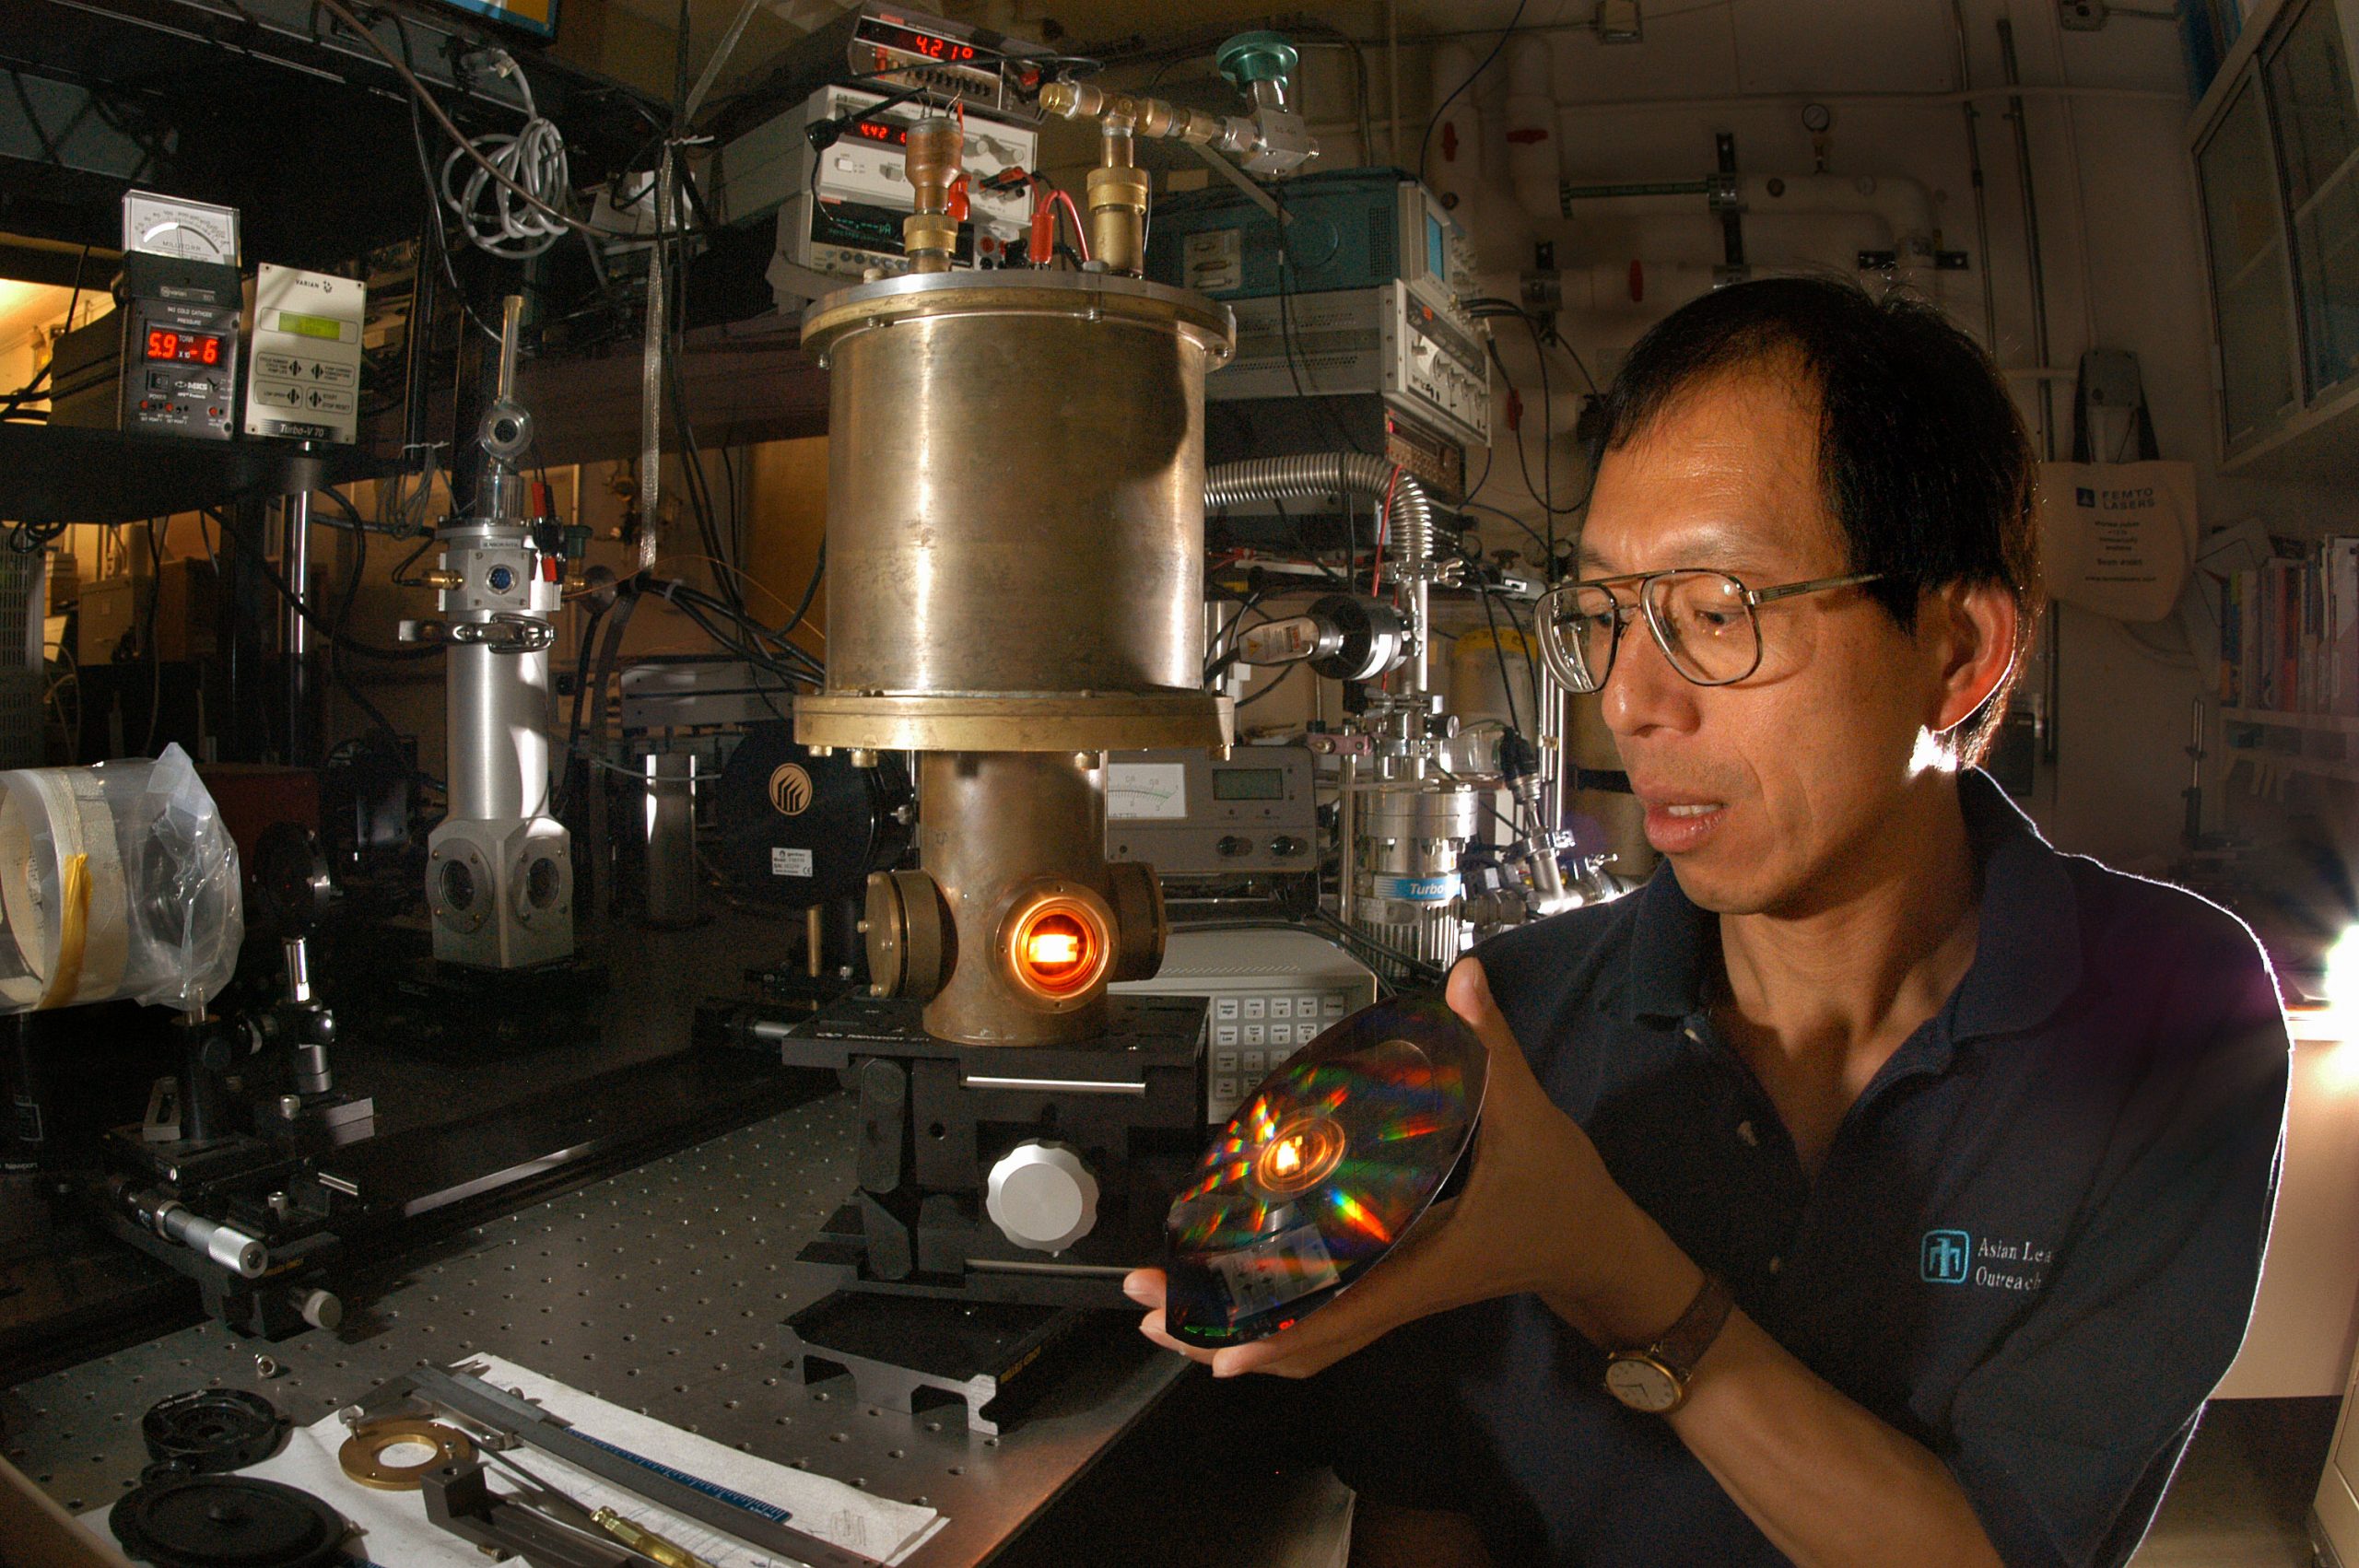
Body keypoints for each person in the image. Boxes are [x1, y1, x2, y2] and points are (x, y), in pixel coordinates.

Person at [1123, 276, 2290, 1568]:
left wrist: (1605, 1261)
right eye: (1606, 615)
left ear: (1959, 654)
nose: (1630, 701)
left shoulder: (2173, 1016)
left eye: (1716, 611)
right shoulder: (1504, 1027)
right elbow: (1424, 1511)